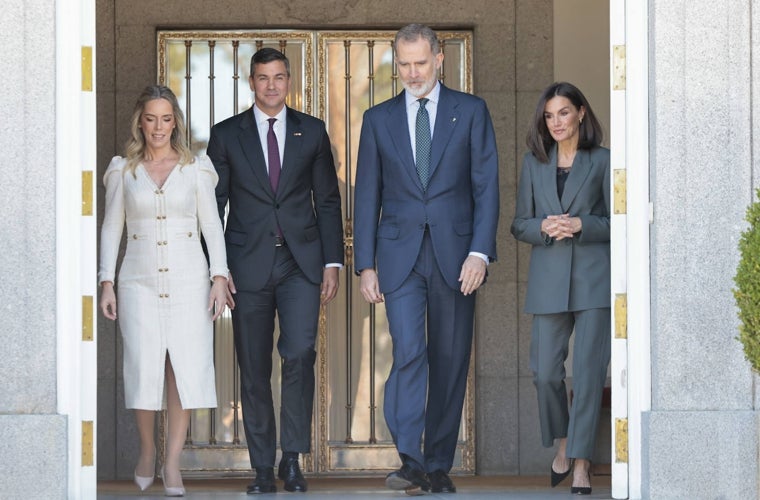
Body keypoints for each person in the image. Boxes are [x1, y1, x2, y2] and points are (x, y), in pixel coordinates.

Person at [354, 23, 499, 495]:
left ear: (440, 59)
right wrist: (366, 264)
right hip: (399, 257)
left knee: (450, 358)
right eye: (404, 65)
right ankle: (410, 458)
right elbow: (367, 194)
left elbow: (486, 187)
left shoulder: (471, 111)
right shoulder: (377, 119)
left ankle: (438, 463)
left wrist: (479, 252)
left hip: (457, 256)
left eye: (420, 63)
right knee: (410, 351)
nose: (412, 73)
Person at [207, 47, 344, 494]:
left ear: (289, 82)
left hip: (300, 263)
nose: (271, 85)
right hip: (247, 265)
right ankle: (262, 466)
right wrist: (218, 270)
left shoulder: (313, 131)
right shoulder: (226, 135)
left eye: (279, 77)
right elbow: (214, 206)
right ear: (251, 81)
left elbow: (326, 200)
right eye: (263, 78)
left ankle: (292, 459)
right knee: (253, 364)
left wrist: (331, 261)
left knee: (301, 352)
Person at [99, 85, 232, 497]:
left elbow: (212, 225)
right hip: (137, 280)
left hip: (189, 279)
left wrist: (220, 276)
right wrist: (106, 280)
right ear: (141, 121)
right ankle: (146, 450)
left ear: (176, 122)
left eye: (166, 118)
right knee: (142, 366)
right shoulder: (124, 169)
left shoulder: (196, 168)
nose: (159, 127)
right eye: (151, 118)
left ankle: (172, 463)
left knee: (183, 370)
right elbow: (111, 227)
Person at [510, 81, 610, 496]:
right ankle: (565, 442)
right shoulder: (535, 163)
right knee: (545, 373)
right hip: (549, 282)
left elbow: (617, 222)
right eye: (549, 115)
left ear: (581, 114)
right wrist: (544, 228)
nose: (556, 122)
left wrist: (582, 224)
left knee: (587, 377)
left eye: (564, 113)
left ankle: (581, 465)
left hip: (593, 280)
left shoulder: (603, 161)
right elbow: (519, 224)